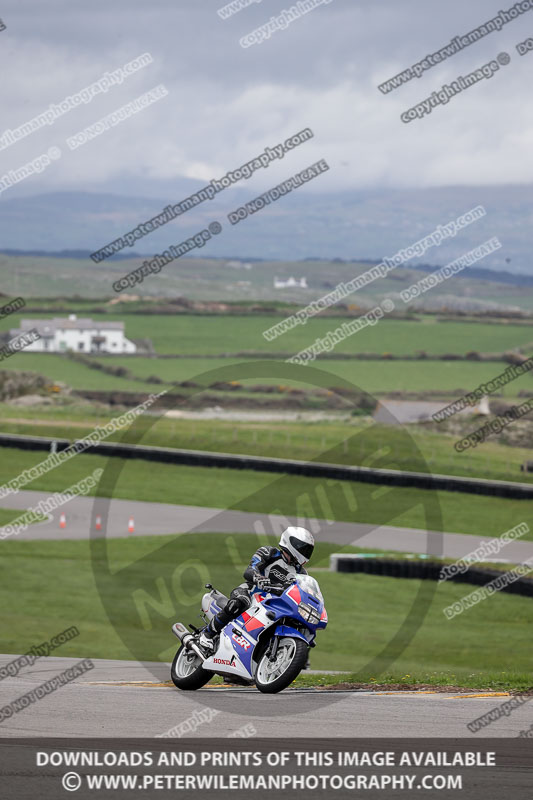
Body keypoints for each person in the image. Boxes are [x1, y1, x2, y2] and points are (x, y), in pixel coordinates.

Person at [198, 526, 315, 652]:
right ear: (291, 543)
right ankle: (207, 634)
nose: (305, 552)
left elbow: (302, 591)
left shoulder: (302, 573)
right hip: (250, 591)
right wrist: (259, 578)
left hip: (273, 604)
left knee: (298, 621)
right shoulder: (269, 552)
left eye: (308, 549)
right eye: (303, 548)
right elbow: (249, 570)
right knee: (240, 602)